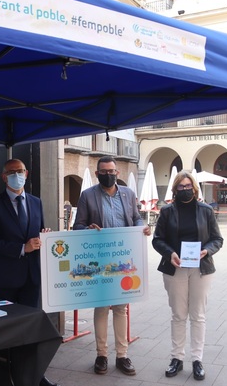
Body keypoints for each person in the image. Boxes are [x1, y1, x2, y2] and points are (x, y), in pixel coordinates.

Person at [0, 158, 59, 386]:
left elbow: (37, 233)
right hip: (4, 279)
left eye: (21, 171)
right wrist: (21, 248)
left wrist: (44, 236)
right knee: (5, 331)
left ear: (27, 173)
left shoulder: (36, 202)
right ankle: (4, 377)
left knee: (30, 331)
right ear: (4, 176)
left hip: (31, 278)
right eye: (12, 172)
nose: (18, 175)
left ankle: (34, 377)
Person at [72, 156, 151, 377]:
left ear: (118, 173)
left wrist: (141, 227)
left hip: (123, 258)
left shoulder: (128, 194)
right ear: (97, 174)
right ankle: (101, 355)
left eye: (113, 171)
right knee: (101, 307)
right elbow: (77, 226)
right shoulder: (87, 196)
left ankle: (122, 355)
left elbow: (135, 218)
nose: (110, 174)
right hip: (100, 260)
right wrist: (88, 228)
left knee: (120, 308)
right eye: (105, 171)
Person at [152, 171, 223, 381]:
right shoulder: (166, 211)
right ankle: (177, 358)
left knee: (198, 315)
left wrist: (207, 251)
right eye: (181, 186)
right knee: (178, 315)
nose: (185, 189)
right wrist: (170, 253)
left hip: (201, 268)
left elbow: (217, 239)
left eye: (188, 186)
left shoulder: (206, 211)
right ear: (175, 189)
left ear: (194, 188)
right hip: (176, 267)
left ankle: (197, 359)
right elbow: (158, 239)